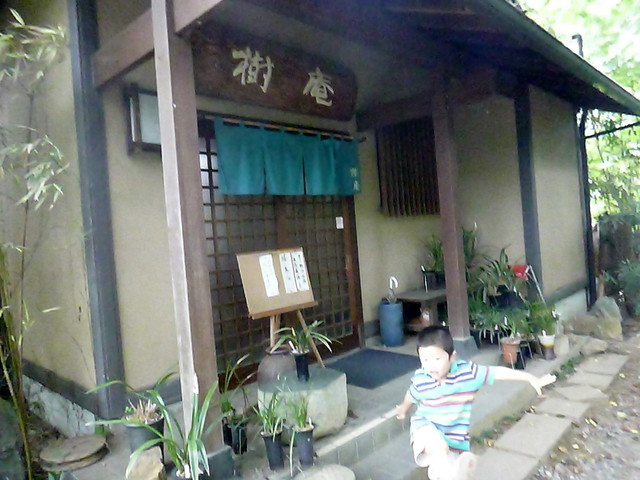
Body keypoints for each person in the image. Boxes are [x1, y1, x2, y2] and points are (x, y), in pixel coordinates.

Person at [395, 325, 556, 480]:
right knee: (439, 448)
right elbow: (412, 395)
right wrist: (403, 408)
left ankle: (453, 473)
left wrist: (530, 378)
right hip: (426, 427)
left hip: (454, 437)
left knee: (447, 468)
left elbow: (498, 372)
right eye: (425, 359)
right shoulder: (421, 378)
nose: (430, 365)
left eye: (437, 359)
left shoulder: (468, 373)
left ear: (452, 357)